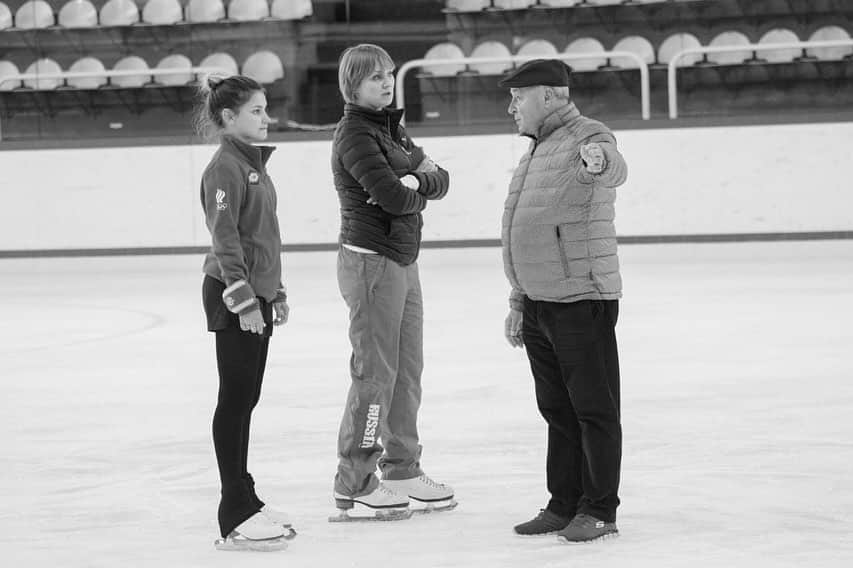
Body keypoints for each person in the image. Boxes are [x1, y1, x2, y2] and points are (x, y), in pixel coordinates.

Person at [498, 59, 627, 543]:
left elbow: (611, 164)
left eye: (519, 96)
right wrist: (518, 301)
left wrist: (600, 161)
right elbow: (523, 235)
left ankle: (599, 508)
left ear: (549, 96)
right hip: (539, 303)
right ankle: (563, 503)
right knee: (557, 411)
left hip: (580, 300)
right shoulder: (536, 151)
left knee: (594, 410)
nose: (511, 106)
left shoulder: (586, 136)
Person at [329, 44, 454, 521]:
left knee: (407, 370)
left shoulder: (391, 129)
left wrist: (416, 182)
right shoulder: (354, 134)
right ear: (352, 85)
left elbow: (439, 179)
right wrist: (415, 181)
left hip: (403, 259)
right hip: (371, 263)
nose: (386, 83)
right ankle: (356, 481)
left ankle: (402, 468)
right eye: (375, 77)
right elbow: (390, 197)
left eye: (389, 75)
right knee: (375, 375)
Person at [197, 74, 293, 550]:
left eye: (265, 108)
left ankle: (246, 495)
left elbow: (263, 239)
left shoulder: (253, 165)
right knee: (234, 399)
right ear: (228, 119)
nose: (266, 117)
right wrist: (244, 300)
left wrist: (274, 293)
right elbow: (226, 238)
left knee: (247, 398)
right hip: (232, 297)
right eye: (256, 110)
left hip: (256, 296)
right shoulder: (224, 170)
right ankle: (233, 509)